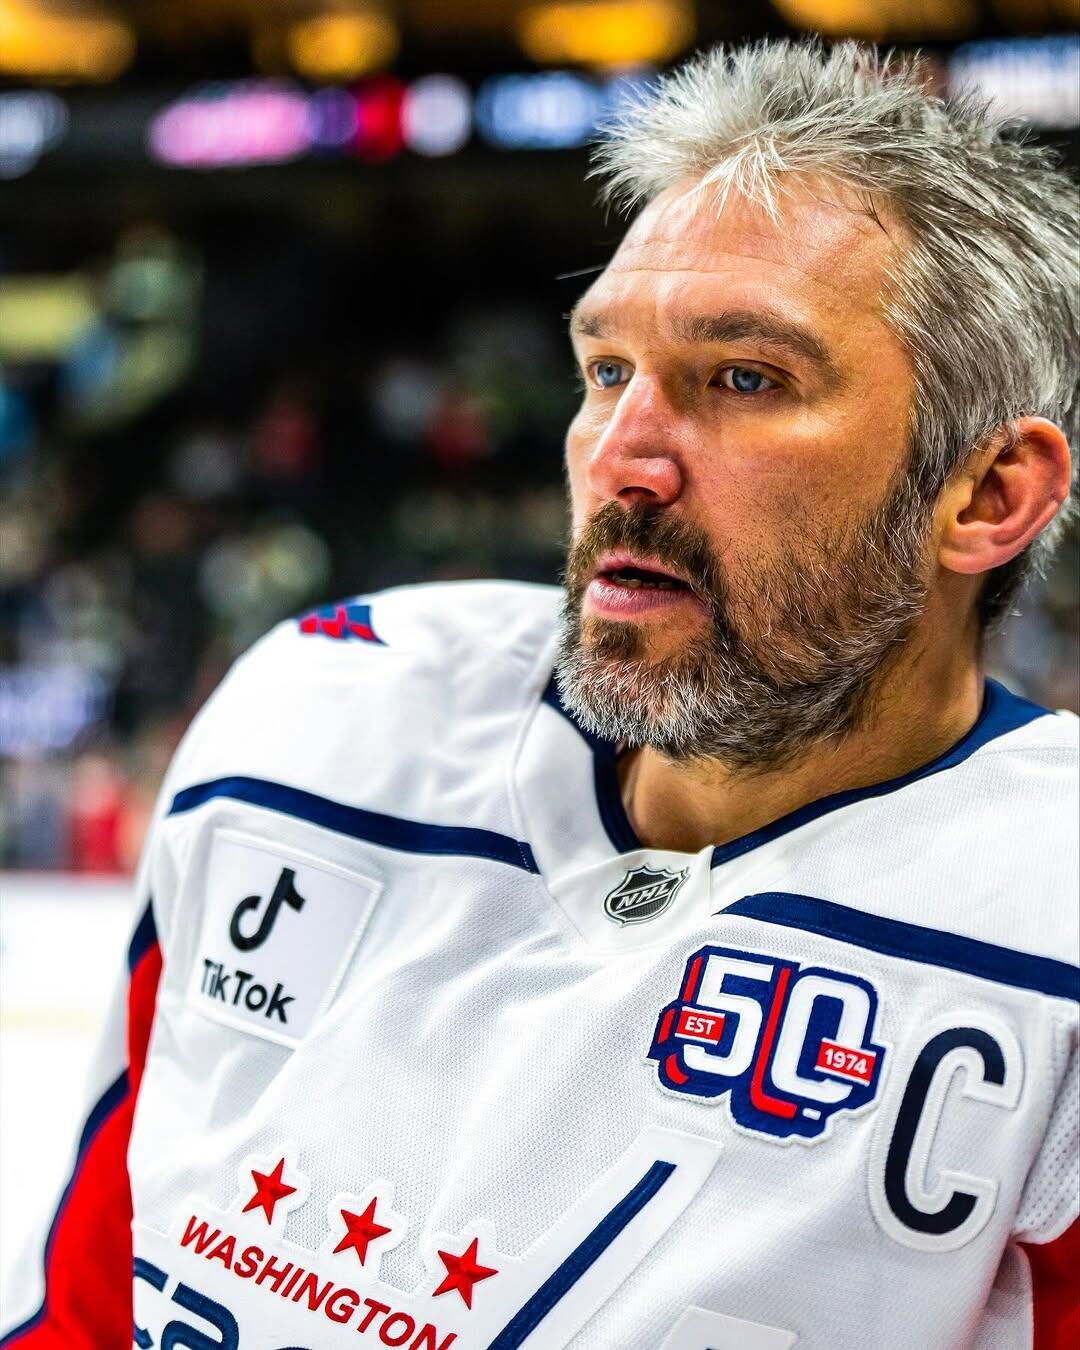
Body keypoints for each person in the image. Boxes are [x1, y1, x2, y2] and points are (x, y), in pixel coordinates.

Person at [3, 39, 1077, 1350]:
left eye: (746, 378)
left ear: (989, 494)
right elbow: (85, 1309)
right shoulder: (321, 714)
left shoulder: (1052, 915)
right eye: (607, 368)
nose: (622, 455)